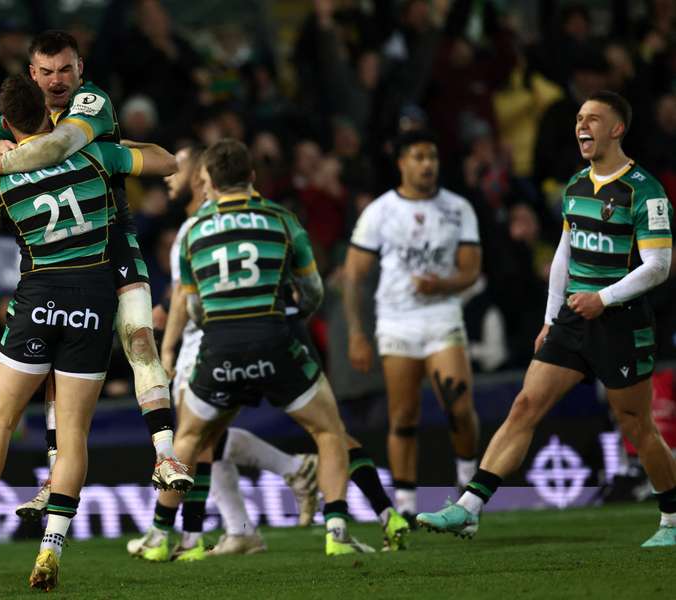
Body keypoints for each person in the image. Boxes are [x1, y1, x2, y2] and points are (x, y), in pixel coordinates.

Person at [0, 74, 179, 590]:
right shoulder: (97, 156)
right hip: (92, 300)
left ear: (6, 126)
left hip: (37, 299)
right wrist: (121, 146)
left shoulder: (0, 179)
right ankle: (51, 549)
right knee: (75, 433)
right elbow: (162, 162)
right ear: (48, 109)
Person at [417, 91, 676, 548]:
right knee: (524, 406)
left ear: (617, 129)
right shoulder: (576, 185)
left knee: (638, 426)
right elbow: (564, 253)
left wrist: (603, 297)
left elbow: (659, 266)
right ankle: (470, 507)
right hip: (574, 319)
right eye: (579, 118)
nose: (583, 125)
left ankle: (673, 518)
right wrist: (551, 316)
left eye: (594, 118)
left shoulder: (645, 191)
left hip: (622, 321)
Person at [166, 138, 377, 557]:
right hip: (276, 339)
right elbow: (313, 290)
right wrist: (289, 313)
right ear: (252, 178)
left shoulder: (193, 232)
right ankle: (333, 530)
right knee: (328, 430)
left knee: (192, 436)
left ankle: (171, 534)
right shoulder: (281, 219)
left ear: (205, 179)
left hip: (216, 346)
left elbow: (190, 304)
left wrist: (176, 342)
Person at [343, 130, 482, 525]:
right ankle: (404, 502)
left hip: (441, 318)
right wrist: (356, 333)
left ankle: (467, 496)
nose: (427, 164)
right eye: (419, 157)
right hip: (397, 323)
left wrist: (443, 285)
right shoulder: (380, 211)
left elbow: (471, 271)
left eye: (432, 156)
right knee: (403, 416)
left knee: (459, 407)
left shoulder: (458, 208)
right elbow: (353, 276)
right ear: (401, 162)